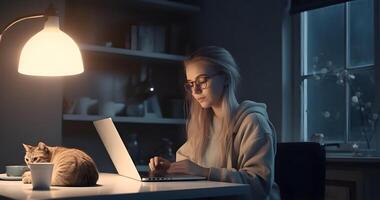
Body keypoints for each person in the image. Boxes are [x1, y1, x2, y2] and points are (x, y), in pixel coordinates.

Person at [149, 46, 280, 200]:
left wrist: (204, 172)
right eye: (191, 84)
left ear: (225, 78)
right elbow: (190, 167)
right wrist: (170, 169)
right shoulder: (203, 125)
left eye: (202, 80)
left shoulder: (253, 123)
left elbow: (259, 185)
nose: (195, 91)